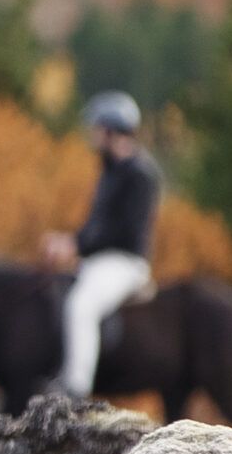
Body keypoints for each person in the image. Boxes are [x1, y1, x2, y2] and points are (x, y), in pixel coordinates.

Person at [44, 91, 162, 398]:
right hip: (99, 260)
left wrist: (74, 245)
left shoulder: (140, 175)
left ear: (112, 131)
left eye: (97, 130)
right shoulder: (110, 172)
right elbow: (96, 226)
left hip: (124, 263)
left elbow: (122, 231)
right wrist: (71, 242)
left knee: (80, 306)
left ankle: (75, 387)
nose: (93, 137)